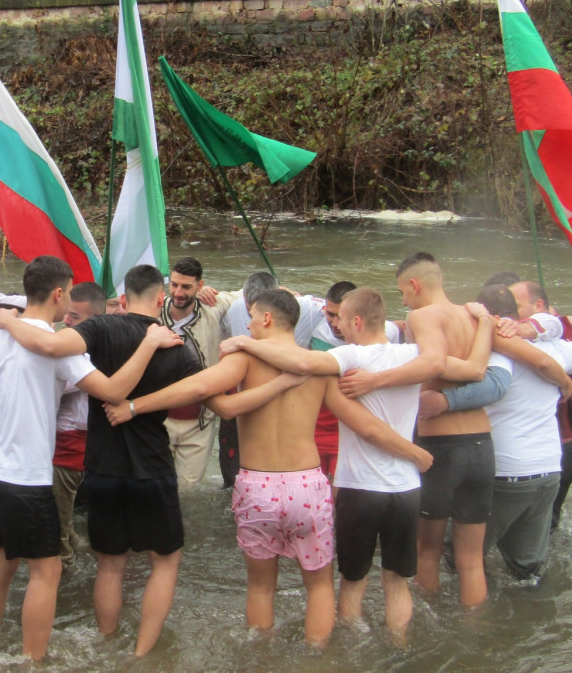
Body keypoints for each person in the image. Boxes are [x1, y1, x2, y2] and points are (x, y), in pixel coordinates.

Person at [118, 289, 432, 646]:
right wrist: (414, 453)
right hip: (308, 487)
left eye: (251, 318)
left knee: (261, 587)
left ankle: (261, 657)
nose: (248, 326)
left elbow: (201, 387)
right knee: (318, 587)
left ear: (266, 318)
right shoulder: (318, 365)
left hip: (258, 487)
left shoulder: (245, 360)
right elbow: (366, 425)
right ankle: (319, 658)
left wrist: (133, 406)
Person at [0, 256, 184, 660]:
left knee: (1, 564)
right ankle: (36, 661)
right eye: (69, 294)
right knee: (47, 571)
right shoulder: (62, 348)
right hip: (33, 475)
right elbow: (113, 393)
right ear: (58, 294)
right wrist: (148, 343)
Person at [336, 252, 492, 608]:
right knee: (471, 560)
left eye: (403, 293)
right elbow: (478, 370)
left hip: (441, 445)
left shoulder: (421, 315)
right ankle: (473, 632)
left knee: (426, 552)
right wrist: (486, 323)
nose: (403, 302)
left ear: (415, 285)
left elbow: (433, 362)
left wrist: (374, 381)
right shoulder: (471, 316)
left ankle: (427, 621)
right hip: (483, 444)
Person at [433, 285, 572, 579]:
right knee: (527, 569)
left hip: (505, 473)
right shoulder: (557, 349)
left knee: (461, 558)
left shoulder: (494, 352)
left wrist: (444, 401)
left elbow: (494, 387)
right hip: (548, 471)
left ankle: (473, 618)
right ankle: (532, 617)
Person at [507, 280, 572, 530]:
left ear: (538, 305)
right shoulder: (512, 334)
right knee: (540, 526)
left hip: (558, 446)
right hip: (545, 447)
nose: (509, 313)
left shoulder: (568, 335)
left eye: (515, 306)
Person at [308, 281, 406, 481]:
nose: (335, 324)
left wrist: (375, 380)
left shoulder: (384, 333)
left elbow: (402, 326)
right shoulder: (311, 318)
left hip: (352, 432)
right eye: (330, 315)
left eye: (340, 317)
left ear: (356, 319)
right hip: (316, 429)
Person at [159, 257, 240, 487]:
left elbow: (249, 295)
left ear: (200, 285)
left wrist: (284, 290)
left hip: (200, 422)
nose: (178, 292)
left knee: (188, 492)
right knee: (157, 488)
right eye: (174, 285)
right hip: (159, 420)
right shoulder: (153, 312)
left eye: (186, 287)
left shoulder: (213, 307)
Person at [53, 281, 107, 567]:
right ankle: (73, 543)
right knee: (63, 515)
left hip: (69, 449)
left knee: (55, 526)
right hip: (83, 447)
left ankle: (63, 572)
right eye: (67, 313)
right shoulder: (108, 346)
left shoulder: (74, 355)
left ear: (95, 321)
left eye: (75, 317)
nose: (65, 320)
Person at [217, 272, 278, 488]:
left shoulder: (301, 309)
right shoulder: (233, 310)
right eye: (249, 310)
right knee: (231, 469)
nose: (251, 323)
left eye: (259, 314)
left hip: (274, 402)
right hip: (238, 393)